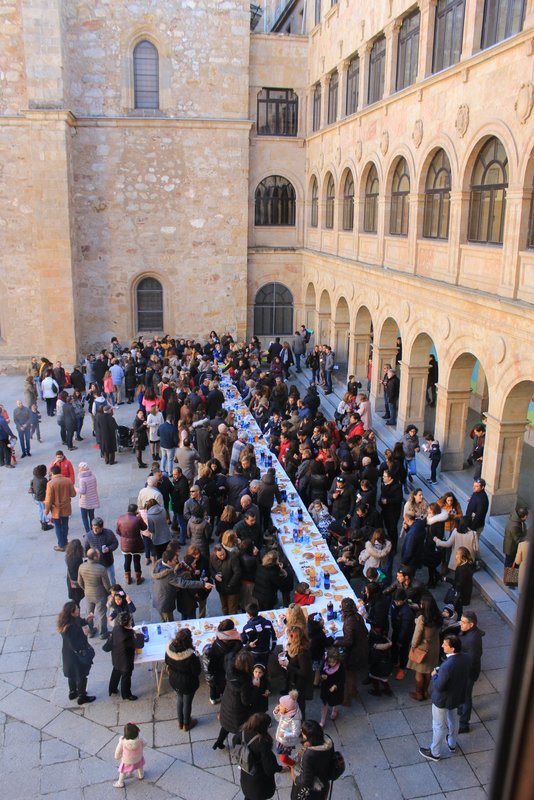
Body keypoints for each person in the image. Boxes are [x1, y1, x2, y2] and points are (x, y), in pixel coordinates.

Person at [419, 634, 470, 762]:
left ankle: (435, 752)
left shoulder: (447, 666)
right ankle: (452, 743)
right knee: (453, 720)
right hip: (455, 696)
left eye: (445, 645)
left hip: (442, 699)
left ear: (452, 649)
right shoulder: (465, 658)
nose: (442, 646)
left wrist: (434, 675)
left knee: (438, 725)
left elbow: (439, 685)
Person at [232, 712, 283, 800]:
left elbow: (236, 746)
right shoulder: (263, 742)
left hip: (246, 773)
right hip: (259, 781)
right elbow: (269, 768)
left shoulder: (241, 733)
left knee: (249, 796)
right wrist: (279, 768)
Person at [213, 650, 255, 749]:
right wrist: (255, 687)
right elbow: (246, 701)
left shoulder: (230, 670)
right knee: (241, 730)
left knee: (225, 725)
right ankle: (239, 746)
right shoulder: (245, 682)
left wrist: (246, 649)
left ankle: (218, 742)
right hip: (238, 711)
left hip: (227, 702)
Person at [57, 600, 95, 705]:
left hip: (68, 654)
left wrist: (86, 620)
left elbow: (79, 622)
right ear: (72, 612)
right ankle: (82, 697)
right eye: (77, 609)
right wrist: (85, 634)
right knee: (81, 675)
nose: (78, 609)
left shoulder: (66, 622)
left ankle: (73, 692)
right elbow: (76, 644)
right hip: (75, 656)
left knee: (72, 674)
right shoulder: (69, 628)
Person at [407, 594, 442, 701]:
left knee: (419, 672)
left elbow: (417, 635)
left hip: (422, 648)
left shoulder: (422, 618)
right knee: (428, 671)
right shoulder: (438, 616)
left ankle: (418, 693)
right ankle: (425, 692)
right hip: (434, 647)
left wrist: (413, 646)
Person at [165, 627, 202, 731]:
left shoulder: (169, 650)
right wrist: (197, 658)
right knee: (187, 702)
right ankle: (187, 724)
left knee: (180, 699)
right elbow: (197, 671)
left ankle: (180, 723)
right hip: (188, 683)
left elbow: (167, 662)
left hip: (174, 680)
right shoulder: (191, 656)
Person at [290, 719, 333, 800]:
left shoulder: (309, 755)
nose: (301, 733)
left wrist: (294, 777)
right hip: (324, 782)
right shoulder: (328, 741)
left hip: (312, 792)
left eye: (303, 733)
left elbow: (306, 781)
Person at [336, 596, 368, 705]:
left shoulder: (349, 621)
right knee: (353, 674)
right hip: (362, 649)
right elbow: (365, 631)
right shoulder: (358, 616)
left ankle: (347, 699)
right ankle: (354, 691)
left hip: (354, 653)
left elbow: (349, 641)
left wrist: (337, 642)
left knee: (348, 675)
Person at [457, 610, 484, 734]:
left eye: (463, 622)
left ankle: (464, 724)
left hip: (467, 673)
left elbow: (472, 660)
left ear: (471, 624)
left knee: (466, 697)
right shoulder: (469, 632)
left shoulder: (473, 640)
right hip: (464, 670)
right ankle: (460, 708)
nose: (460, 624)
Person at [205, 618, 243, 705]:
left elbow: (212, 659)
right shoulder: (237, 643)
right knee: (226, 688)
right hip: (229, 670)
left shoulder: (217, 642)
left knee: (214, 685)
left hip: (217, 670)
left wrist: (211, 671)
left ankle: (214, 698)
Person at [77, 549, 111, 638]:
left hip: (88, 593)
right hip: (100, 595)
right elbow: (107, 585)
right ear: (95, 557)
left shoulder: (81, 566)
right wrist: (109, 593)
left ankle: (91, 631)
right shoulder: (101, 569)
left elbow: (79, 582)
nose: (99, 555)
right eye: (98, 554)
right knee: (101, 614)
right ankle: (103, 633)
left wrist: (85, 589)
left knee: (89, 613)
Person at [44, 464, 77, 551]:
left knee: (58, 526)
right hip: (66, 507)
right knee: (65, 525)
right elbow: (73, 494)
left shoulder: (50, 484)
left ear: (52, 473)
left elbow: (48, 499)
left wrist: (46, 511)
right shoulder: (67, 480)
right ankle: (65, 542)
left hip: (56, 509)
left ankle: (61, 545)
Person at [108, 611, 139, 701]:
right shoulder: (128, 634)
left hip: (116, 656)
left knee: (116, 672)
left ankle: (112, 689)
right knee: (126, 677)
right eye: (130, 620)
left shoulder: (116, 628)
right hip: (125, 660)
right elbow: (138, 644)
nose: (131, 621)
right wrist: (138, 635)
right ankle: (126, 694)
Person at [116, 503, 147, 585]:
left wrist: (124, 536)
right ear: (135, 511)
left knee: (127, 560)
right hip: (136, 544)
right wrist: (140, 517)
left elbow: (117, 531)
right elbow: (144, 528)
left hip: (125, 544)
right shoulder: (137, 519)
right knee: (136, 561)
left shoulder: (120, 518)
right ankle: (138, 579)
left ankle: (128, 578)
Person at [84, 516, 119, 585]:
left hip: (108, 562)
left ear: (101, 527)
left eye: (97, 528)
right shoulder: (88, 536)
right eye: (93, 527)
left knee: (111, 580)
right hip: (96, 564)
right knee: (99, 583)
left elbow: (115, 543)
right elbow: (85, 550)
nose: (94, 530)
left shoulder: (109, 533)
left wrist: (109, 548)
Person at [241, 601, 277, 665]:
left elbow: (244, 642)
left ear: (249, 615)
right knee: (264, 665)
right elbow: (273, 637)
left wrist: (248, 647)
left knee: (255, 666)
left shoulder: (247, 628)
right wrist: (271, 649)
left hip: (254, 652)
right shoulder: (268, 623)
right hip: (266, 651)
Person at [391, 589, 416, 681]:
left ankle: (402, 668)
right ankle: (394, 661)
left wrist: (400, 640)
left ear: (404, 600)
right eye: (395, 601)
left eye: (398, 601)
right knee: (394, 646)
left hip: (405, 634)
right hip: (396, 629)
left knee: (403, 651)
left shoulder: (407, 612)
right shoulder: (394, 604)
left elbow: (405, 628)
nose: (396, 603)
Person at [210, 543, 242, 614]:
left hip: (232, 588)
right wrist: (215, 576)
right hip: (221, 587)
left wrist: (230, 585)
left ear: (224, 549)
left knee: (232, 610)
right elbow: (211, 569)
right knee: (224, 608)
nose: (222, 556)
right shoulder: (212, 557)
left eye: (223, 554)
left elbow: (237, 573)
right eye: (220, 555)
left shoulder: (232, 557)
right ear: (215, 553)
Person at [273, 690, 302, 766]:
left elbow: (296, 733)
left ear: (287, 708)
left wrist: (284, 734)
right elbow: (278, 719)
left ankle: (293, 765)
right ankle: (291, 763)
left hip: (287, 741)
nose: (278, 706)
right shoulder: (286, 713)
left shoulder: (295, 720)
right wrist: (276, 712)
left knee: (283, 758)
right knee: (281, 754)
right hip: (281, 739)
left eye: (281, 705)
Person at [113, 722, 145, 789]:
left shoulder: (122, 742)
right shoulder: (140, 739)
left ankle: (120, 782)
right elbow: (145, 743)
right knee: (140, 766)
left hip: (127, 760)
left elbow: (118, 751)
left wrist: (117, 757)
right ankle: (141, 775)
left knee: (123, 771)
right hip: (138, 757)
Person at [319, 647, 345, 727]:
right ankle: (322, 720)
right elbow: (321, 671)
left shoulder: (340, 667)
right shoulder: (325, 663)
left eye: (333, 662)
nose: (331, 664)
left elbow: (342, 680)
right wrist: (322, 676)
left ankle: (334, 710)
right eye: (329, 661)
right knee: (325, 703)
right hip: (326, 686)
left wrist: (335, 686)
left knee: (335, 701)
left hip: (335, 688)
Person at [76, 462, 99, 534]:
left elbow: (82, 491)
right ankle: (93, 530)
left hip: (85, 501)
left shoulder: (82, 479)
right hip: (92, 499)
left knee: (84, 517)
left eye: (79, 468)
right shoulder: (93, 476)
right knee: (92, 516)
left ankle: (88, 532)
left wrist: (75, 489)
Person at [465, 478, 489, 542]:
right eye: (474, 485)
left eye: (476, 486)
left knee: (473, 543)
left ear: (482, 487)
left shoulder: (482, 499)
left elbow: (479, 515)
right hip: (470, 523)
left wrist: (472, 528)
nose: (473, 487)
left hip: (475, 526)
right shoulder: (476, 493)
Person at [30, 464, 53, 530]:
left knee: (41, 509)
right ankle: (44, 524)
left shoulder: (35, 477)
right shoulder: (43, 480)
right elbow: (48, 486)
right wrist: (50, 478)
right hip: (42, 497)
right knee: (44, 510)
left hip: (37, 497)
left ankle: (42, 519)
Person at [65, 539, 86, 608]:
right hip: (75, 581)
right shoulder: (77, 558)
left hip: (70, 580)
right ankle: (75, 611)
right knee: (76, 600)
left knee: (75, 599)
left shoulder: (68, 555)